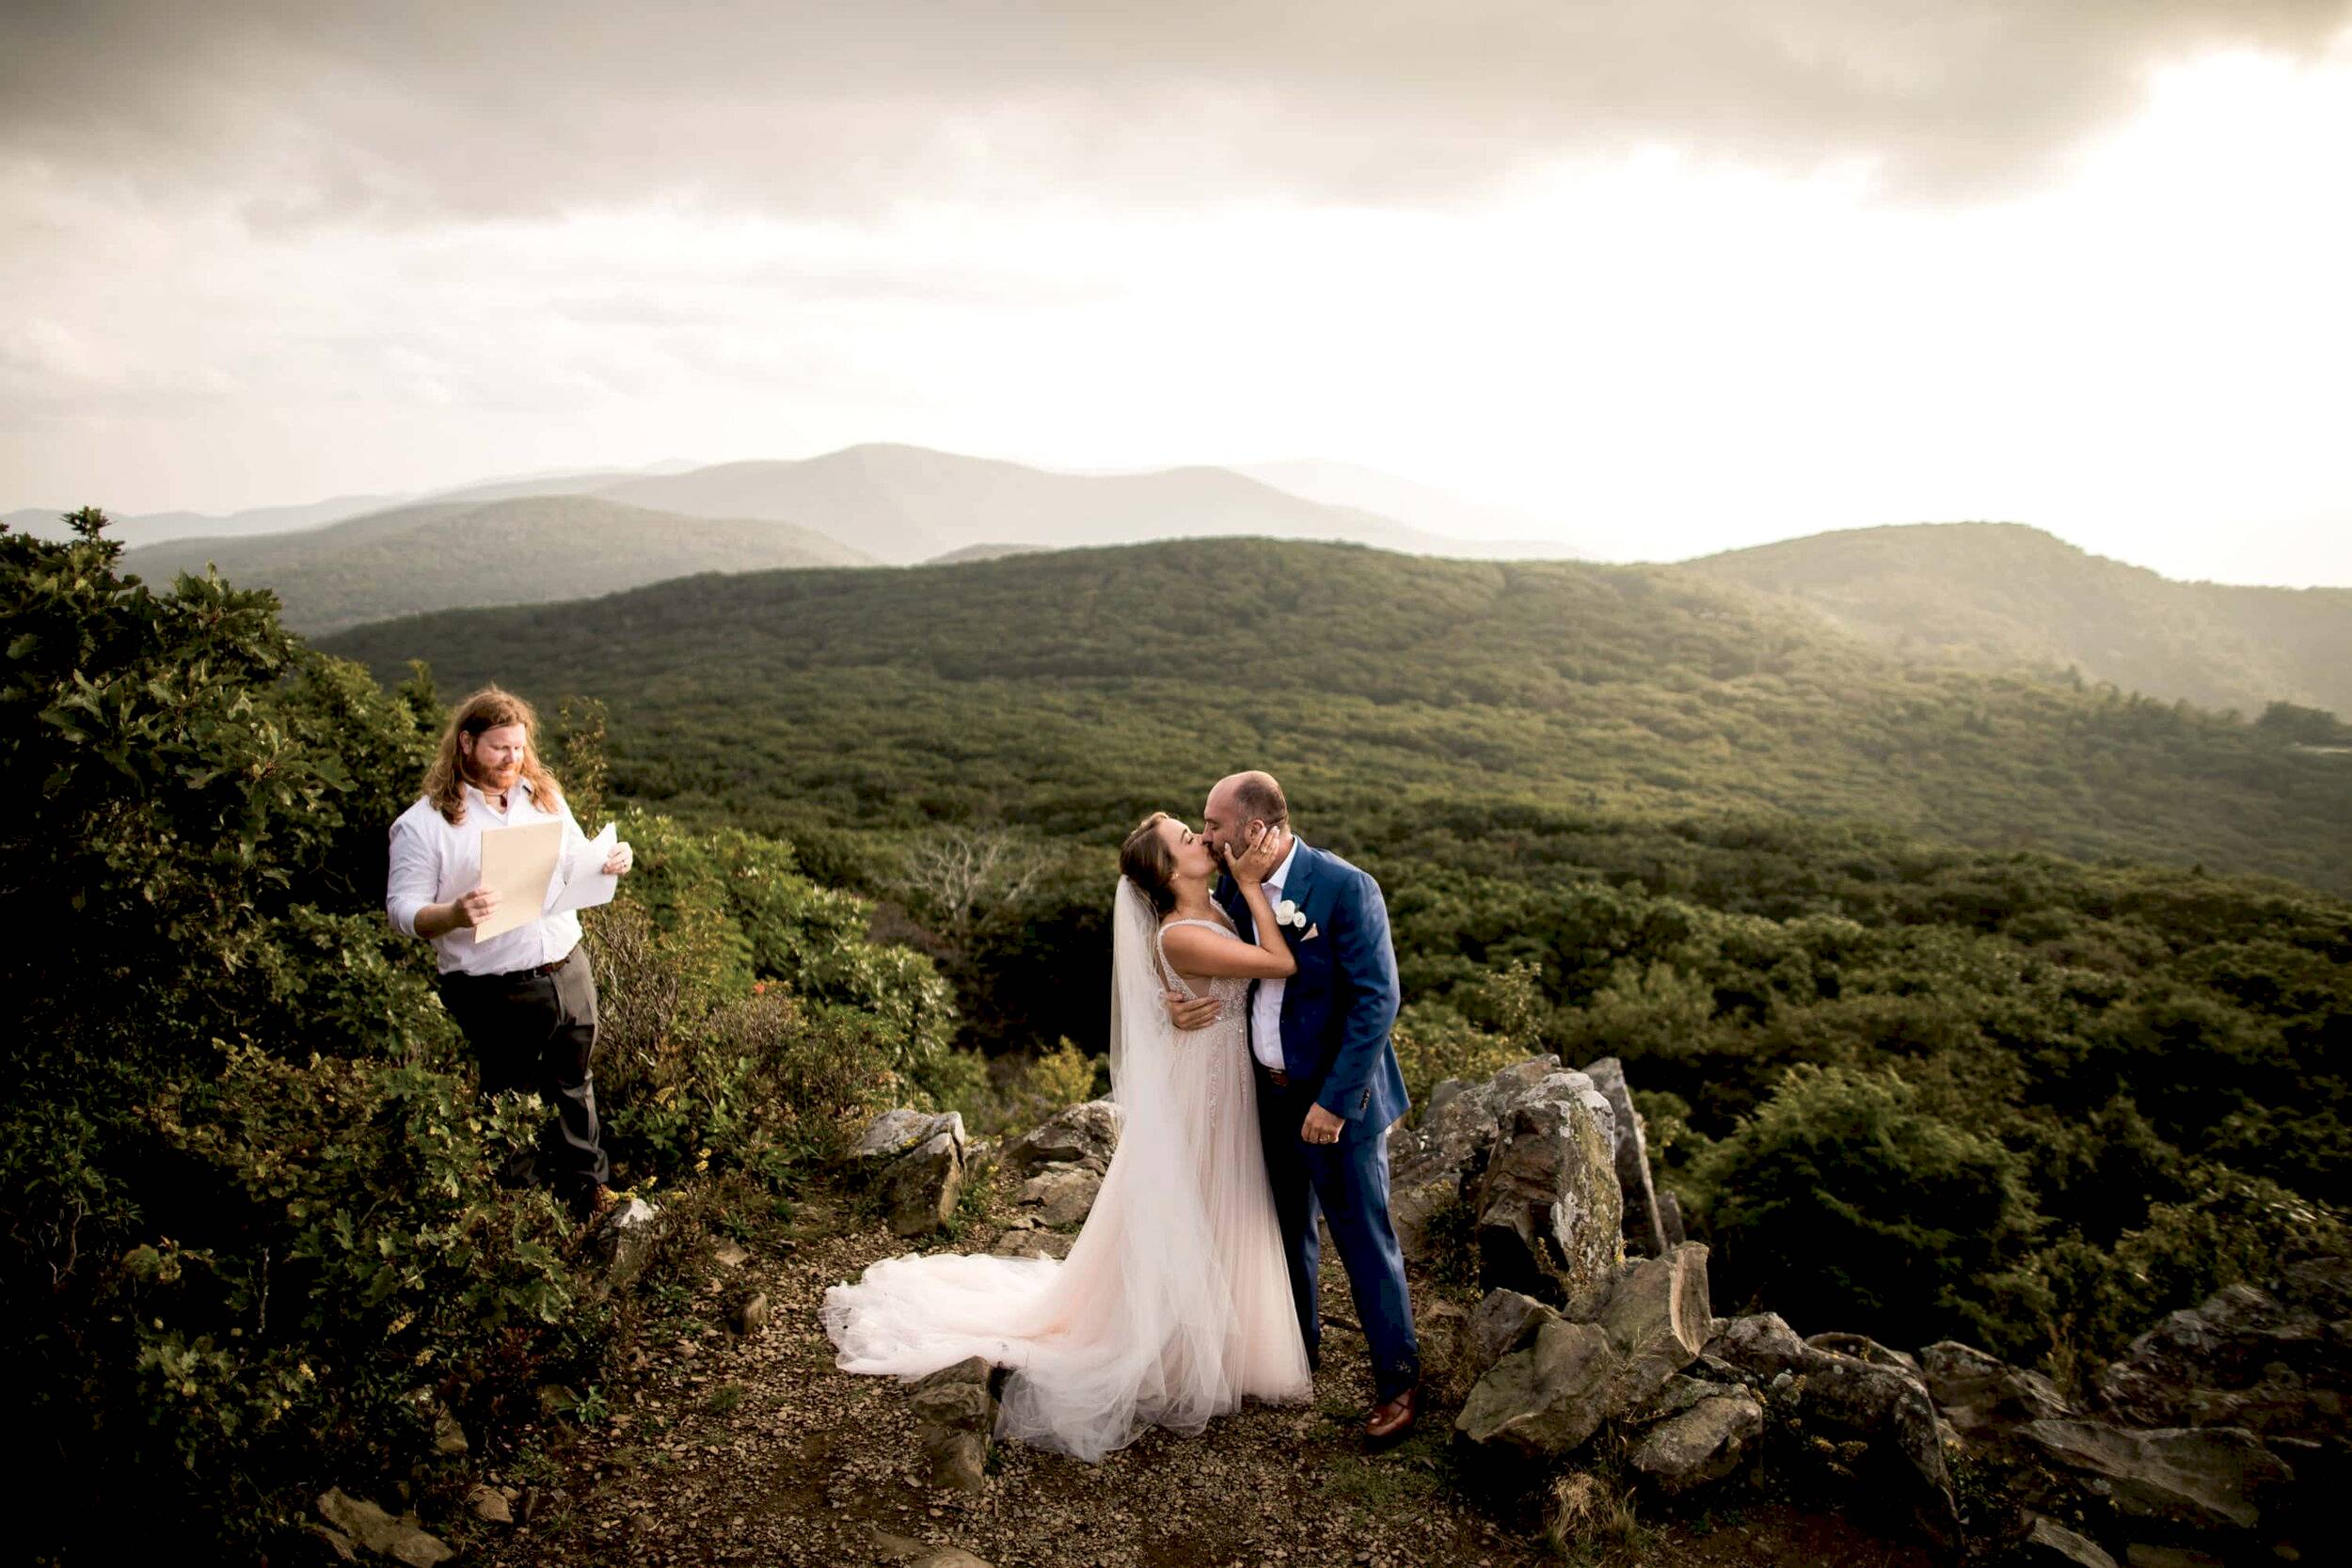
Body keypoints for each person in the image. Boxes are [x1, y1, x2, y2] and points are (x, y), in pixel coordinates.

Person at [821, 813, 1311, 1461]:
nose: (1202, 839)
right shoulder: (1185, 930)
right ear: (1167, 872)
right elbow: (1280, 962)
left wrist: (1178, 991)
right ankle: (1169, 1343)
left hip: (1218, 1077)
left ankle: (1223, 1341)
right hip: (1203, 1089)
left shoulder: (1211, 908)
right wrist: (1253, 886)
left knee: (1215, 1205)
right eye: (1187, 840)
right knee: (1188, 1207)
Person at [1168, 770, 1422, 1440]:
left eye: (1214, 823)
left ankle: (1398, 1383)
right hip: (1266, 1095)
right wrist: (1175, 994)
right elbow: (1201, 947)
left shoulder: (1345, 887)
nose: (1209, 834)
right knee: (1284, 1235)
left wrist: (1335, 1103)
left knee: (1365, 1240)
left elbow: (1378, 1001)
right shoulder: (1229, 882)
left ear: (1254, 829)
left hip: (1339, 1105)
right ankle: (1296, 1358)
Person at [385, 686, 634, 1221]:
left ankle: (590, 1194)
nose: (512, 759)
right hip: (493, 986)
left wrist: (609, 859)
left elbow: (574, 857)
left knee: (575, 1082)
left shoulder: (541, 796)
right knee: (509, 1098)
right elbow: (402, 911)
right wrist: (453, 913)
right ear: (467, 744)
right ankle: (521, 1216)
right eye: (499, 748)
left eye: (518, 747)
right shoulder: (424, 824)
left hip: (567, 965)